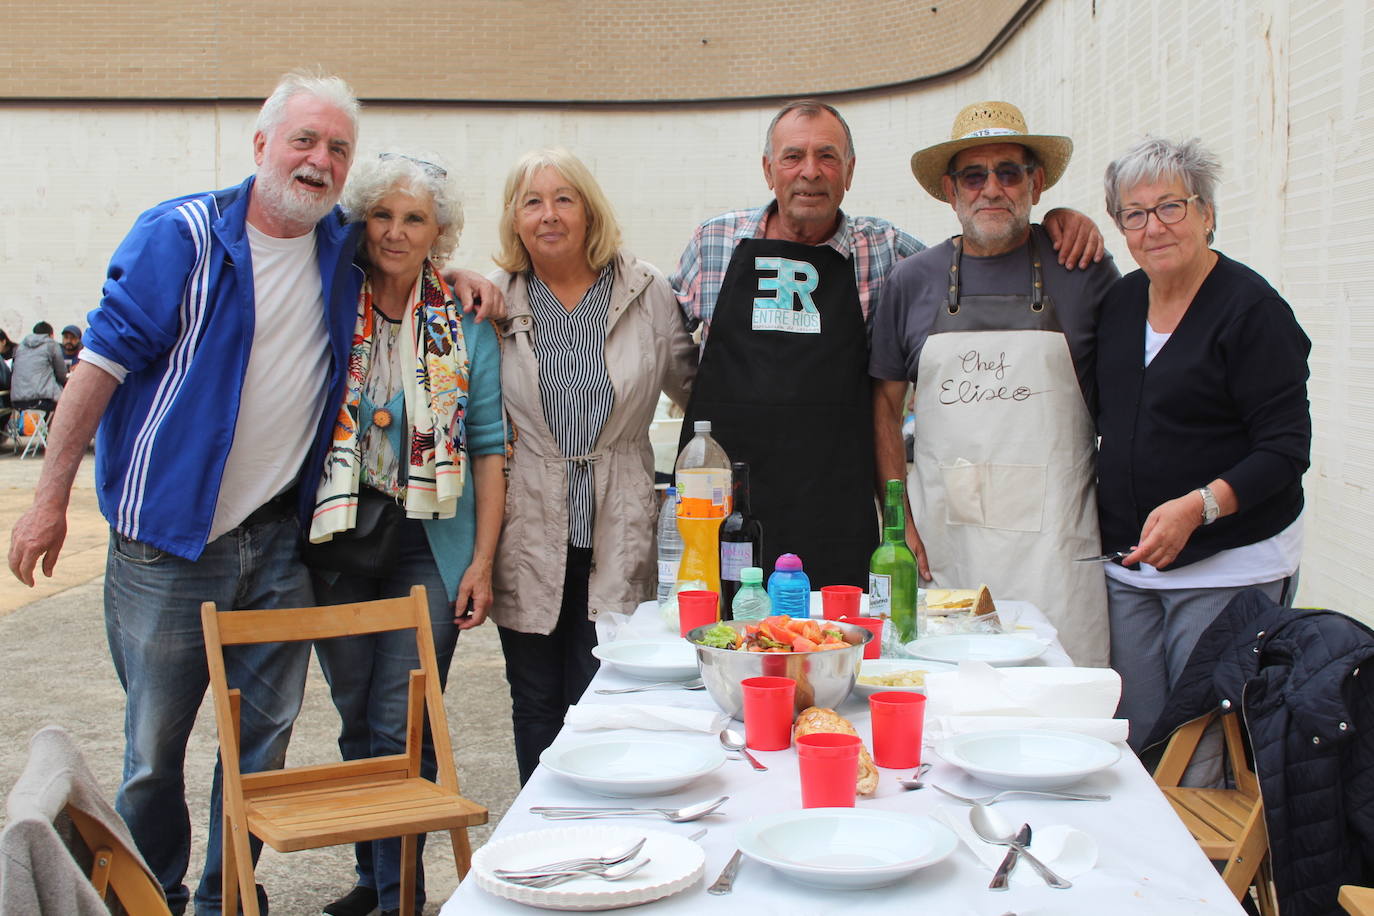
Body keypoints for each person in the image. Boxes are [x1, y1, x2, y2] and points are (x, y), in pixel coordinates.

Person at [7, 71, 499, 915]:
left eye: (337, 149)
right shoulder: (185, 234)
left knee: (258, 749)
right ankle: (152, 896)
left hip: (277, 544)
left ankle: (222, 897)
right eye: (303, 140)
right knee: (155, 752)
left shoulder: (331, 250)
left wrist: (466, 277)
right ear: (262, 144)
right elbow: (99, 368)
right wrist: (50, 496)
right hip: (169, 543)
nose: (319, 160)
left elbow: (413, 258)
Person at [670, 99, 1103, 589]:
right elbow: (660, 348)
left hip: (835, 508)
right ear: (769, 169)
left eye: (827, 157)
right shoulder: (714, 242)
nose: (810, 172)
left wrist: (1053, 228)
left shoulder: (890, 252)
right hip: (723, 508)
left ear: (850, 172)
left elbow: (982, 248)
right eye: (793, 157)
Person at [307, 151, 505, 916]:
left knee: (406, 719)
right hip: (338, 539)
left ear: (439, 234)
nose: (395, 231)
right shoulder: (328, 298)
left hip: (430, 543)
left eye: (414, 218)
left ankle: (403, 896)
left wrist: (481, 561)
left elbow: (488, 448)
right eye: (382, 215)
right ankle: (373, 878)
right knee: (358, 720)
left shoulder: (465, 321)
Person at [869, 101, 1119, 665]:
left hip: (1056, 550)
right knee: (948, 698)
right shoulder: (912, 280)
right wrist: (895, 524)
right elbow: (884, 408)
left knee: (1060, 707)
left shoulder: (1082, 268)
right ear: (950, 189)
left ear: (1035, 183)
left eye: (1009, 172)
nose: (992, 189)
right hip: (946, 545)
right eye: (974, 175)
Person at [489, 148, 696, 784]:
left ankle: (605, 833)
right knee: (536, 702)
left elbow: (698, 392)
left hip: (620, 519)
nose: (548, 215)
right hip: (531, 525)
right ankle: (542, 829)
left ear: (588, 210)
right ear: (515, 220)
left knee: (607, 694)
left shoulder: (645, 291)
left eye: (563, 199)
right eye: (532, 202)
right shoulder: (495, 301)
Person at [1096, 136, 1310, 745]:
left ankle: (1204, 846)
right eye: (1134, 214)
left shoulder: (1252, 311)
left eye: (1171, 206)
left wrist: (1200, 506)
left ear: (1207, 213)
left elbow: (1286, 449)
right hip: (1130, 569)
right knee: (1136, 738)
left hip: (1227, 567)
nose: (1154, 227)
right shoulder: (1120, 303)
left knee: (1202, 749)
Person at [10, 320, 67, 412]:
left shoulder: (20, 347)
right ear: (51, 335)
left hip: (18, 401)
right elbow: (61, 374)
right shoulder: (51, 344)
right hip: (41, 400)